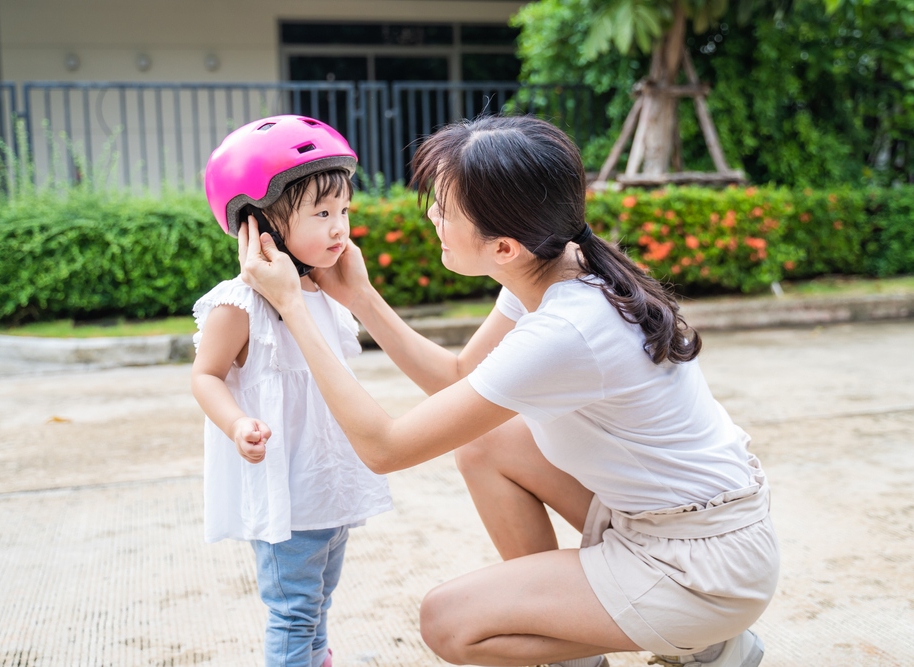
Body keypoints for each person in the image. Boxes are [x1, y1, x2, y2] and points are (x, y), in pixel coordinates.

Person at [237, 114, 779, 667]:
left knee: (448, 622)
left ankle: (702, 637)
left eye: (444, 209)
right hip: (688, 525)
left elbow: (385, 448)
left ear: (503, 249)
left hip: (699, 567)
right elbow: (458, 379)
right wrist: (362, 299)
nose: (432, 217)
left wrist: (292, 308)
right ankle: (630, 646)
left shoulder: (567, 329)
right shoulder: (561, 263)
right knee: (485, 443)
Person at [191, 115, 392, 667]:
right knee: (294, 611)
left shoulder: (326, 293)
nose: (339, 228)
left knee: (319, 603)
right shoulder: (239, 306)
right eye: (321, 214)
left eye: (344, 211)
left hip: (329, 489)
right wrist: (236, 424)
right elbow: (205, 376)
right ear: (261, 230)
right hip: (287, 496)